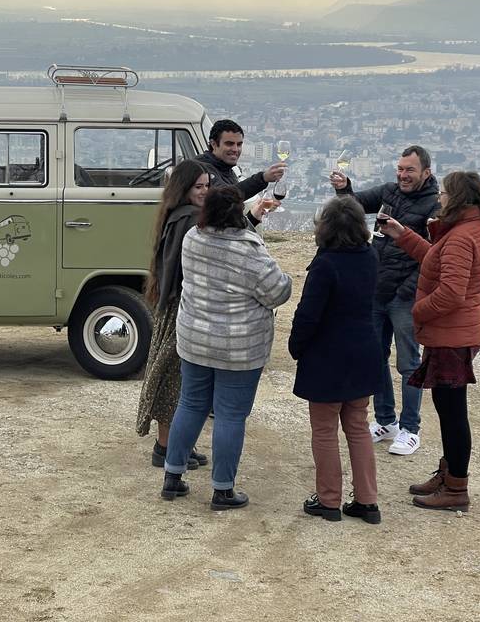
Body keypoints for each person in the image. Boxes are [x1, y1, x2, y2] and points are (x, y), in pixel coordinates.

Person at [160, 185, 292, 510]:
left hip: (195, 338)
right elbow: (277, 292)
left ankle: (172, 476)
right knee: (230, 416)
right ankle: (222, 489)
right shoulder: (249, 250)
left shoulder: (193, 238)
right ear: (237, 213)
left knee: (190, 404)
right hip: (239, 346)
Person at [381, 172, 480, 511]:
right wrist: (405, 236)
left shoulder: (461, 237)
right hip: (456, 332)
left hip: (452, 336)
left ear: (458, 198)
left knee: (453, 413)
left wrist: (417, 311)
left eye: (444, 193)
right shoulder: (467, 231)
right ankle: (449, 473)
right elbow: (437, 259)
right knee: (449, 411)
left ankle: (457, 488)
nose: (440, 198)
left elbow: (450, 293)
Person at [330, 145, 440, 456]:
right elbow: (354, 205)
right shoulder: (389, 192)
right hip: (377, 293)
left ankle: (410, 429)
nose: (403, 175)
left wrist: (409, 291)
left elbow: (434, 258)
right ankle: (386, 421)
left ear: (426, 173)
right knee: (375, 359)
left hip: (405, 298)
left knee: (408, 364)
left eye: (410, 170)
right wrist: (344, 188)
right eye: (401, 169)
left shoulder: (435, 206)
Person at [289, 196, 383, 524]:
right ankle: (367, 501)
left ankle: (329, 500)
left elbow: (308, 314)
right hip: (363, 351)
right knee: (358, 427)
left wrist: (295, 346)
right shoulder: (370, 257)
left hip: (327, 356)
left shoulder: (326, 264)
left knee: (325, 429)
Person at [136, 160, 211, 470]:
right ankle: (166, 447)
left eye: (207, 186)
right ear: (184, 189)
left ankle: (179, 443)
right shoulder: (189, 219)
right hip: (183, 307)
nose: (205, 192)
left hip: (174, 307)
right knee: (173, 380)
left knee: (180, 380)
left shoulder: (174, 215)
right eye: (199, 187)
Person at [196, 119, 287, 226]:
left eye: (239, 144)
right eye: (229, 144)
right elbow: (224, 198)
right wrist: (263, 178)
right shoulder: (200, 169)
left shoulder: (227, 169)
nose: (235, 149)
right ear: (214, 144)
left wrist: (254, 216)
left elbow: (230, 222)